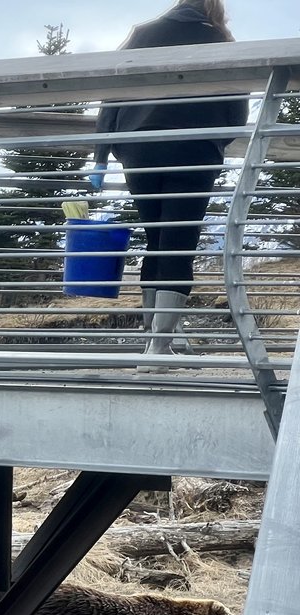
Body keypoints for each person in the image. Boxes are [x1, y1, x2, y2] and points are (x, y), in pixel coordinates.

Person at [90, 0, 249, 359]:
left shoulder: (143, 33)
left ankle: (160, 338)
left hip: (138, 147)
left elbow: (112, 92)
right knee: (179, 240)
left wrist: (102, 155)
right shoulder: (221, 41)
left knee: (157, 238)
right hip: (193, 151)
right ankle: (159, 346)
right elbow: (237, 108)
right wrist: (214, 142)